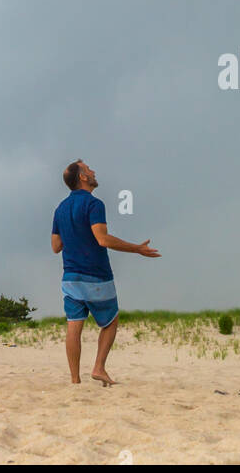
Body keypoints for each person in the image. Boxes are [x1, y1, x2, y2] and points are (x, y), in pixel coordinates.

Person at [50, 158, 160, 384]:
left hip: (70, 277)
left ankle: (74, 380)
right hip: (96, 275)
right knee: (110, 322)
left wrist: (73, 236)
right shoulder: (94, 204)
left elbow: (56, 246)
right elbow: (102, 239)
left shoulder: (60, 208)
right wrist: (137, 249)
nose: (93, 171)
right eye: (88, 169)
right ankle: (99, 368)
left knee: (74, 325)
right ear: (82, 177)